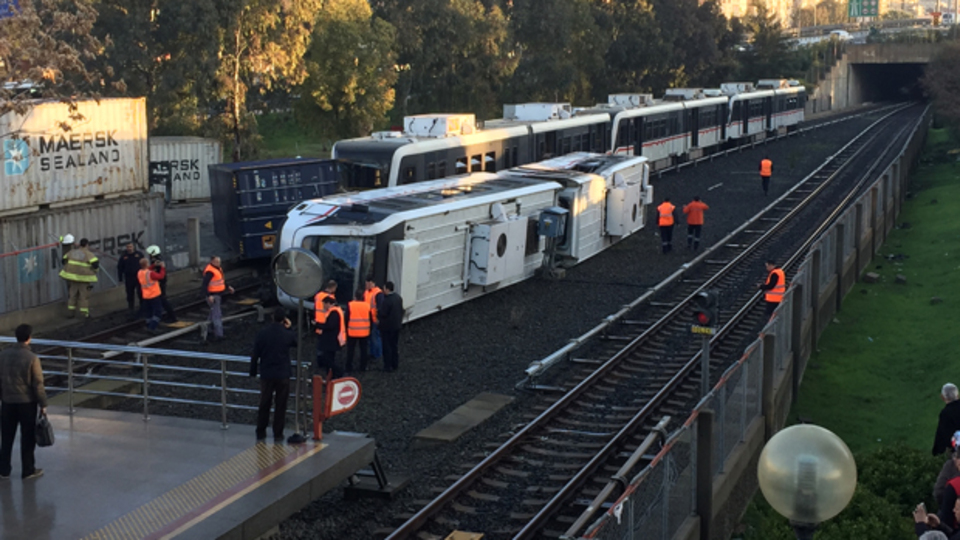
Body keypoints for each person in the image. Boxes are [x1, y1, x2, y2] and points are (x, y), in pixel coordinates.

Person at [0, 324, 48, 480]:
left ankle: (3, 469)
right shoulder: (32, 358)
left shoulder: (3, 355)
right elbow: (38, 384)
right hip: (26, 403)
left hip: (7, 402)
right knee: (27, 437)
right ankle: (28, 470)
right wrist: (43, 404)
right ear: (29, 338)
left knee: (6, 436)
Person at [250, 308, 297, 442]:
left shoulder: (262, 333)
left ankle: (260, 431)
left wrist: (253, 371)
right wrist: (289, 328)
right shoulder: (286, 334)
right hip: (283, 374)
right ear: (284, 320)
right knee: (281, 405)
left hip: (267, 373)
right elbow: (296, 342)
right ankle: (278, 433)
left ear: (272, 317)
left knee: (265, 403)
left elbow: (255, 354)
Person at [59, 237, 99, 318]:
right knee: (83, 297)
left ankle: (71, 313)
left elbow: (63, 260)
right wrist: (94, 271)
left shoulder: (72, 252)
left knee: (72, 295)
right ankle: (85, 314)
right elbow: (95, 265)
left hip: (72, 278)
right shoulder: (89, 254)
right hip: (84, 279)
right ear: (87, 245)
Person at [202, 256, 234, 341]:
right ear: (212, 261)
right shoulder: (210, 272)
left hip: (218, 295)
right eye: (216, 262)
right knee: (217, 315)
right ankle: (219, 335)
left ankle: (208, 329)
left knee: (213, 313)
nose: (218, 263)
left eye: (219, 262)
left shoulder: (217, 269)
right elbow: (204, 285)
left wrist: (228, 287)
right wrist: (209, 295)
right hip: (214, 296)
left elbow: (221, 280)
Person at [315, 296, 345, 379]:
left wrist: (318, 325)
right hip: (334, 339)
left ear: (328, 303)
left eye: (324, 304)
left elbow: (330, 326)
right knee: (330, 359)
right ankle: (331, 374)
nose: (323, 306)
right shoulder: (336, 311)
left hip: (331, 340)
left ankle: (338, 372)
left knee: (328, 359)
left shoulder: (334, 313)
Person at [147, 245, 177, 323]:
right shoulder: (157, 260)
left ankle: (172, 317)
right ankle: (169, 315)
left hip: (160, 283)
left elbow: (159, 273)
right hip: (159, 282)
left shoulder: (157, 261)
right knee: (161, 300)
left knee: (163, 300)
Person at [378, 281, 404, 373]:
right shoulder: (398, 298)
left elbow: (383, 313)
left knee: (387, 346)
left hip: (387, 327)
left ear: (387, 289)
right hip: (396, 326)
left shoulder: (387, 301)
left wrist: (378, 313)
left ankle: (387, 366)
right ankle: (395, 364)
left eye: (384, 288)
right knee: (394, 345)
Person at [345, 290, 372, 374]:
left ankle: (349, 366)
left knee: (350, 350)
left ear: (355, 297)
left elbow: (346, 318)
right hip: (364, 332)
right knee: (364, 350)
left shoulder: (350, 305)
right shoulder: (367, 305)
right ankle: (363, 366)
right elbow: (370, 319)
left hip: (352, 331)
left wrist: (346, 328)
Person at [116, 242, 144, 315]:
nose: (129, 248)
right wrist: (120, 278)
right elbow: (120, 267)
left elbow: (144, 264)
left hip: (139, 277)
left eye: (130, 246)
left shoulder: (139, 254)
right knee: (130, 294)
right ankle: (131, 309)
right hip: (129, 278)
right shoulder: (124, 256)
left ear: (133, 247)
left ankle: (143, 308)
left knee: (141, 293)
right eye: (128, 247)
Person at [138, 258, 165, 332]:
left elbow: (147, 270)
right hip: (154, 295)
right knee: (158, 312)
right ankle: (152, 327)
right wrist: (162, 268)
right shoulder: (150, 273)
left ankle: (148, 325)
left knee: (149, 312)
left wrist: (153, 265)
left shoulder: (140, 272)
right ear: (147, 264)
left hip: (146, 296)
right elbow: (161, 276)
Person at [934, 385, 960, 456]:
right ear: (957, 395)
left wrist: (936, 453)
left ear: (942, 397)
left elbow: (942, 435)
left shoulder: (946, 414)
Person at [364, 276, 384, 366]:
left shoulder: (378, 293)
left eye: (367, 284)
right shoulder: (367, 292)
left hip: (374, 319)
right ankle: (373, 353)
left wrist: (378, 318)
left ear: (372, 283)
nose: (366, 285)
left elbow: (380, 307)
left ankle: (377, 355)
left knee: (375, 337)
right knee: (371, 338)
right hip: (368, 319)